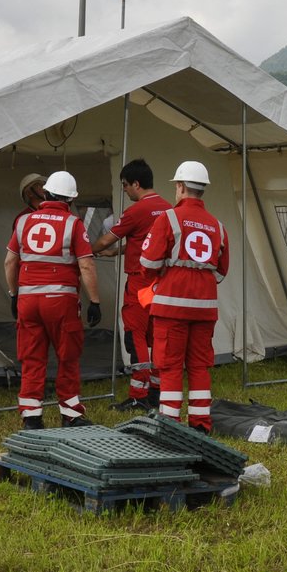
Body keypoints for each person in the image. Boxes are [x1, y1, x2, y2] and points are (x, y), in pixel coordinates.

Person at [4, 170, 103, 429]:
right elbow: (87, 266)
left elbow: (10, 262)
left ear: (46, 193)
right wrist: (95, 301)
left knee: (32, 357)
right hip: (61, 302)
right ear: (70, 200)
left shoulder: (24, 223)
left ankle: (31, 417)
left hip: (28, 301)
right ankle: (70, 414)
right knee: (67, 356)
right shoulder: (73, 224)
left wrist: (14, 294)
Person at [137, 160, 229, 433]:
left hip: (171, 308)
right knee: (200, 366)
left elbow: (148, 264)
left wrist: (170, 275)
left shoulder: (168, 218)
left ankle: (170, 424)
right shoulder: (218, 226)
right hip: (204, 308)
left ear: (179, 187)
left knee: (170, 366)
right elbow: (221, 272)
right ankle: (201, 425)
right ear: (203, 190)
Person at [92, 159, 173, 411]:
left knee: (134, 335)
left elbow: (105, 240)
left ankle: (139, 392)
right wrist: (119, 252)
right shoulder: (168, 209)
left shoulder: (136, 211)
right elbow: (144, 240)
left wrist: (84, 251)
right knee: (157, 336)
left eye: (126, 186)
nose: (125, 191)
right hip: (162, 282)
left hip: (140, 281)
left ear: (136, 184)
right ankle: (157, 391)